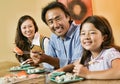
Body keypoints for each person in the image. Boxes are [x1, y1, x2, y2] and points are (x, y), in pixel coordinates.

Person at [30, 1, 83, 71]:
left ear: (67, 17)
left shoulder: (81, 32)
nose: (56, 25)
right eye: (51, 22)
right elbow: (48, 65)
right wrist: (40, 58)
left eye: (58, 19)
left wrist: (48, 60)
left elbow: (78, 64)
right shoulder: (53, 37)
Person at [73, 15, 120, 79]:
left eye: (92, 33)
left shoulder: (109, 53)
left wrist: (88, 74)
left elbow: (118, 71)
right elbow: (75, 66)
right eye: (83, 33)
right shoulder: (87, 57)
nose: (86, 37)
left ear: (104, 37)